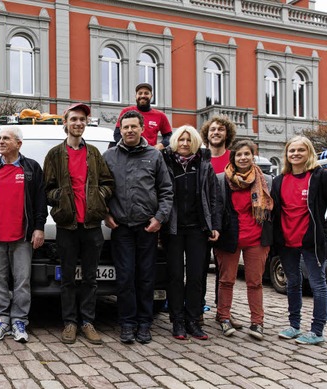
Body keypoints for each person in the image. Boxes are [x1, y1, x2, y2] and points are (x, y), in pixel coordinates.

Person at [43, 103, 113, 345]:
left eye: (82, 119)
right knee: (69, 278)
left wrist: (101, 195)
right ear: (66, 123)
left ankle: (88, 322)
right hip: (67, 227)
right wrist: (59, 199)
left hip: (92, 225)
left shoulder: (94, 153)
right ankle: (70, 322)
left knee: (91, 278)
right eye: (74, 119)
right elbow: (47, 188)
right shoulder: (54, 154)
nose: (78, 123)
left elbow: (108, 182)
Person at [102, 110, 173, 344]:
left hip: (147, 228)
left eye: (134, 126)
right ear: (120, 130)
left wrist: (159, 218)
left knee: (145, 278)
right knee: (124, 277)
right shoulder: (109, 156)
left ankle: (144, 324)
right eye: (125, 127)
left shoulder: (154, 156)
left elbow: (166, 190)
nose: (130, 130)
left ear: (142, 128)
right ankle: (127, 323)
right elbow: (99, 189)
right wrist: (105, 214)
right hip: (121, 227)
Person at [0, 126, 46, 343]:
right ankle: (1, 318)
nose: (0, 142)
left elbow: (40, 201)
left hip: (22, 237)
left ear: (19, 144)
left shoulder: (31, 168)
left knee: (22, 281)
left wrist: (39, 227)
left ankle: (19, 320)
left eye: (6, 138)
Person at [161, 125, 221, 341]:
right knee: (175, 276)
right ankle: (177, 321)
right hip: (173, 229)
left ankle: (193, 320)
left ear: (194, 142)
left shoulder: (204, 164)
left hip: (198, 229)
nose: (185, 143)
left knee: (197, 276)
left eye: (189, 140)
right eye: (181, 140)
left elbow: (213, 197)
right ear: (175, 141)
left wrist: (214, 225)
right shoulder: (166, 163)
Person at [272, 136, 327, 345]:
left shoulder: (319, 177)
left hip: (311, 241)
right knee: (293, 283)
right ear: (286, 154)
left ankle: (317, 330)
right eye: (291, 150)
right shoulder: (280, 180)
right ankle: (294, 326)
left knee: (317, 285)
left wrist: (323, 231)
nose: (295, 154)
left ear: (309, 152)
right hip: (287, 241)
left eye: (300, 150)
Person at [214, 140, 272, 340]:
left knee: (254, 282)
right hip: (229, 237)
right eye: (239, 154)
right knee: (226, 280)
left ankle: (257, 323)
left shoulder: (265, 180)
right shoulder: (222, 179)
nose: (243, 158)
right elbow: (216, 208)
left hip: (256, 238)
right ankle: (224, 318)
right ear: (233, 157)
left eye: (247, 154)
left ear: (253, 156)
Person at [200, 115, 242, 330]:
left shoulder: (234, 158)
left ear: (227, 134)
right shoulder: (201, 157)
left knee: (224, 271)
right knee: (198, 267)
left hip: (226, 221)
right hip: (202, 220)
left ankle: (223, 311)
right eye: (212, 129)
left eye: (220, 130)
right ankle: (197, 308)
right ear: (207, 133)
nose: (216, 132)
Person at [112, 83, 172, 150]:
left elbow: (169, 136)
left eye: (146, 93)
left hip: (149, 155)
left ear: (151, 96)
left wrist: (161, 145)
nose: (143, 96)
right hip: (129, 153)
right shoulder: (126, 112)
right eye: (140, 93)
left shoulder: (160, 115)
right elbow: (117, 134)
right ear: (136, 96)